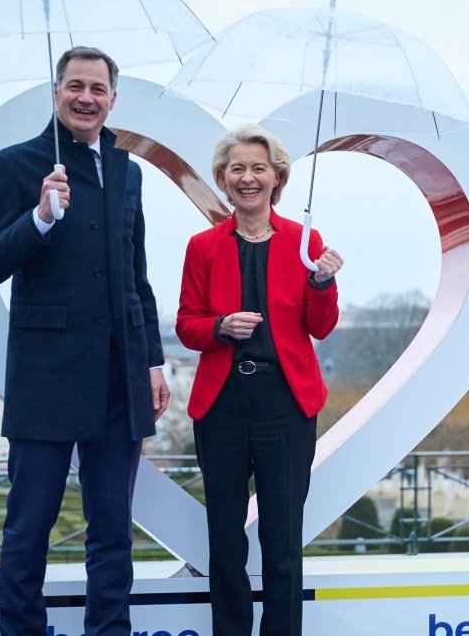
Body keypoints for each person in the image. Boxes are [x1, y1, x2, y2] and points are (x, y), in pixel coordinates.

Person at [0, 46, 170, 636]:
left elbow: (137, 276)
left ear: (113, 98)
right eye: (75, 85)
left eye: (98, 89)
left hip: (119, 377)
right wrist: (39, 219)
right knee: (29, 527)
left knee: (113, 529)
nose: (86, 98)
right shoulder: (13, 165)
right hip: (47, 376)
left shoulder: (129, 170)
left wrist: (154, 362)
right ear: (55, 91)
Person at [176, 125, 343, 636]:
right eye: (237, 169)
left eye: (258, 168)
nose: (247, 178)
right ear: (223, 181)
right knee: (224, 537)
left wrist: (322, 281)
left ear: (278, 177)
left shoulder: (305, 241)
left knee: (283, 537)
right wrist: (220, 328)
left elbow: (321, 326)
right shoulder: (202, 246)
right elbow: (186, 326)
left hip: (286, 404)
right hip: (223, 404)